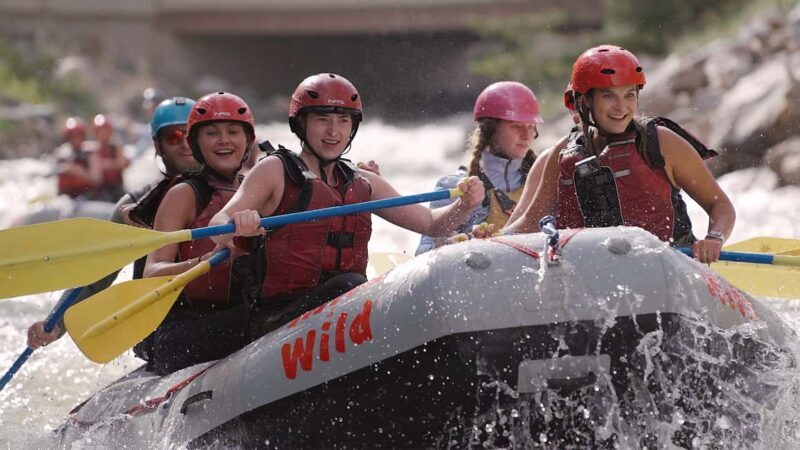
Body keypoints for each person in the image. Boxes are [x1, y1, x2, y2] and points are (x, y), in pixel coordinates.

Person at [208, 73, 485, 338]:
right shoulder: (275, 170)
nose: (333, 131)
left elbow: (432, 224)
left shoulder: (362, 181)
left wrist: (464, 206)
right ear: (301, 124)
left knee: (359, 287)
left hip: (343, 314)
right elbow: (217, 224)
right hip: (279, 319)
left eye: (343, 121)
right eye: (322, 120)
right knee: (350, 285)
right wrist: (237, 224)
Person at [501, 45, 735, 264]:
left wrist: (714, 238)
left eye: (629, 96)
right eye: (609, 96)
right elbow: (530, 222)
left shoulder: (661, 142)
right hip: (595, 274)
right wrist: (488, 241)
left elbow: (720, 205)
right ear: (585, 100)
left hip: (667, 267)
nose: (621, 107)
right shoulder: (563, 154)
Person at [27, 97, 200, 350]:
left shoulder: (239, 189)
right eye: (174, 136)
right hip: (167, 329)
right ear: (158, 144)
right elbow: (97, 279)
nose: (185, 144)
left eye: (192, 135)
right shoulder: (132, 206)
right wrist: (55, 323)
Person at [141, 92, 259, 375]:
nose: (224, 140)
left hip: (240, 315)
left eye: (233, 131)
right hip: (185, 329)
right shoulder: (184, 194)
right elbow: (152, 272)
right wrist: (203, 261)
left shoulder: (257, 189)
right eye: (211, 133)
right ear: (196, 143)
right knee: (262, 317)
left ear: (247, 142)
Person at [415, 81, 543, 255]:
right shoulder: (455, 186)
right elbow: (424, 254)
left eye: (531, 127)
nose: (526, 135)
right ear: (490, 130)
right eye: (516, 126)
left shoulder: (543, 182)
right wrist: (457, 243)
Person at [85, 114, 130, 202]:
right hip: (101, 192)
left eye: (106, 131)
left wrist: (104, 165)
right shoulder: (93, 150)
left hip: (117, 189)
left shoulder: (115, 147)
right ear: (96, 133)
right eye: (101, 131)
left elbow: (123, 163)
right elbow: (96, 176)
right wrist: (113, 164)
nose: (104, 134)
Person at [54, 117, 94, 198]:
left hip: (86, 195)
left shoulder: (89, 152)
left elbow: (95, 178)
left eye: (78, 136)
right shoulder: (62, 153)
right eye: (73, 136)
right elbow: (56, 171)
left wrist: (78, 171)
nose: (76, 139)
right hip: (67, 196)